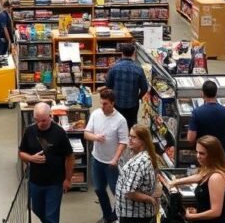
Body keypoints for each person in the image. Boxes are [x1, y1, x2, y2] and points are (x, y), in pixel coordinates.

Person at [18, 102, 73, 223]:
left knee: (51, 218)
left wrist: (68, 179)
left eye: (43, 120)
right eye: (37, 120)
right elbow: (21, 153)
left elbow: (69, 156)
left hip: (54, 183)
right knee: (37, 215)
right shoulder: (29, 131)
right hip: (35, 182)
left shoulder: (59, 133)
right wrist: (31, 158)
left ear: (50, 116)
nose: (40, 124)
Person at [84, 88, 129, 223]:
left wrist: (115, 159)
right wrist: (96, 137)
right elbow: (86, 133)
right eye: (101, 103)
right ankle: (107, 216)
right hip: (97, 159)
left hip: (112, 164)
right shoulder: (96, 114)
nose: (102, 106)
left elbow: (123, 142)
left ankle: (118, 215)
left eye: (105, 104)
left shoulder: (120, 120)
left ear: (113, 103)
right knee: (99, 189)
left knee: (117, 192)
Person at [169, 136, 225, 222]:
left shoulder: (216, 178)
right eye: (197, 152)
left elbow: (216, 212)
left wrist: (191, 217)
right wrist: (176, 182)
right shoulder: (208, 169)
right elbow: (200, 176)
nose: (198, 156)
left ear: (212, 155)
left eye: (202, 153)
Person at [115, 124, 163, 223]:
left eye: (134, 137)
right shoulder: (140, 156)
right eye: (129, 136)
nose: (130, 139)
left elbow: (129, 193)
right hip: (133, 213)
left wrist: (150, 199)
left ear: (143, 141)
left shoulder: (139, 163)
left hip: (134, 215)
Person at [105, 42, 149, 127]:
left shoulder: (113, 68)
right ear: (133, 53)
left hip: (117, 103)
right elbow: (144, 88)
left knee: (116, 125)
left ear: (122, 53)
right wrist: (138, 97)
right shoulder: (139, 69)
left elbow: (108, 85)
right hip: (132, 104)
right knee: (131, 126)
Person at [187, 80, 225, 152]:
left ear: (202, 93)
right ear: (216, 93)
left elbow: (190, 138)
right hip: (221, 152)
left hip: (204, 152)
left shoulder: (197, 113)